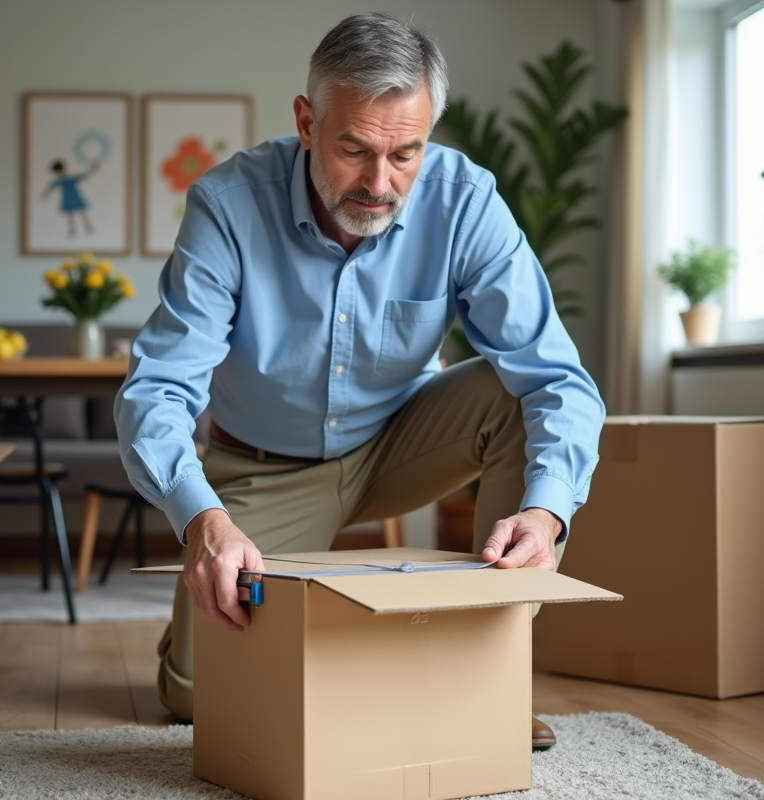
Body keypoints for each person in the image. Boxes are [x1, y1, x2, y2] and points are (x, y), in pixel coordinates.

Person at [115, 12, 605, 750]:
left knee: (514, 392)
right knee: (197, 700)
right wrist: (202, 522)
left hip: (398, 442)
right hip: (263, 466)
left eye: (406, 153)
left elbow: (558, 380)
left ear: (430, 133)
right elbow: (158, 387)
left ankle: (481, 673)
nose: (381, 183)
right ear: (306, 122)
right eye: (354, 149)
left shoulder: (465, 201)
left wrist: (547, 517)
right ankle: (189, 653)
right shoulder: (227, 205)